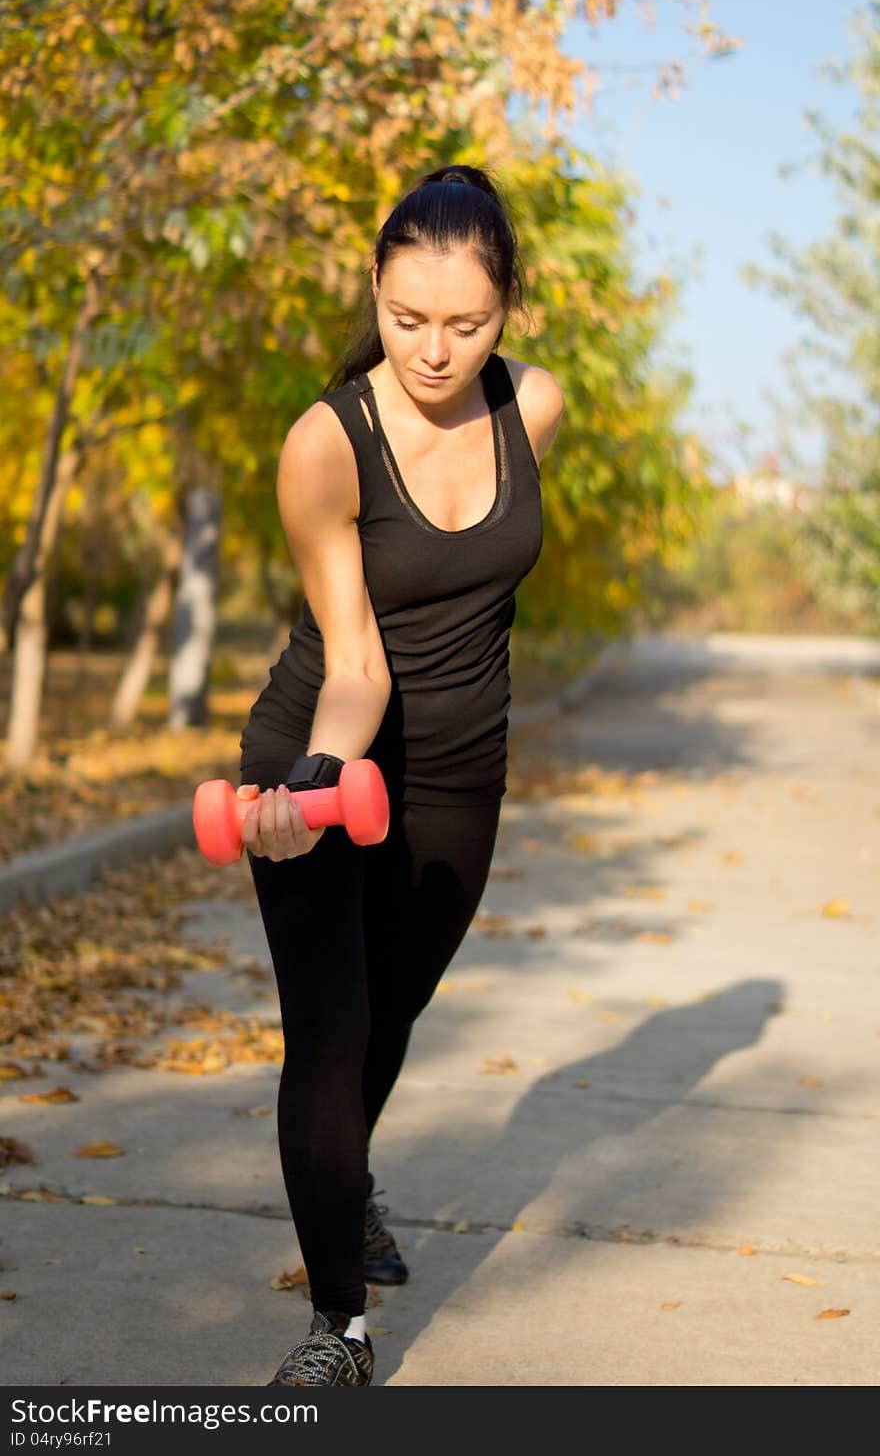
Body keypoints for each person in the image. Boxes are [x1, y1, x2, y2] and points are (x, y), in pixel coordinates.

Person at [237, 164, 565, 1387]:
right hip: (323, 755)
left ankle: (348, 1178)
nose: (433, 348)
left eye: (465, 323)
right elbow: (357, 660)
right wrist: (311, 788)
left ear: (507, 308)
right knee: (329, 1032)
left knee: (394, 1013)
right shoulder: (327, 444)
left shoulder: (535, 408)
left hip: (460, 779)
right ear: (373, 287)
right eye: (407, 316)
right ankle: (339, 1327)